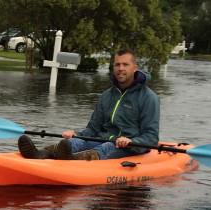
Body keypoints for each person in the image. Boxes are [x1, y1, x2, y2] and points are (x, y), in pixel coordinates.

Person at [18, 49, 160, 161]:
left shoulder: (149, 98)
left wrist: (132, 141)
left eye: (125, 64)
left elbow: (151, 137)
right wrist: (77, 134)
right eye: (117, 64)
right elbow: (93, 129)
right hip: (101, 140)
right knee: (76, 143)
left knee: (108, 147)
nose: (120, 68)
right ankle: (41, 153)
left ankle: (72, 160)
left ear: (134, 68)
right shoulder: (106, 96)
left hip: (127, 147)